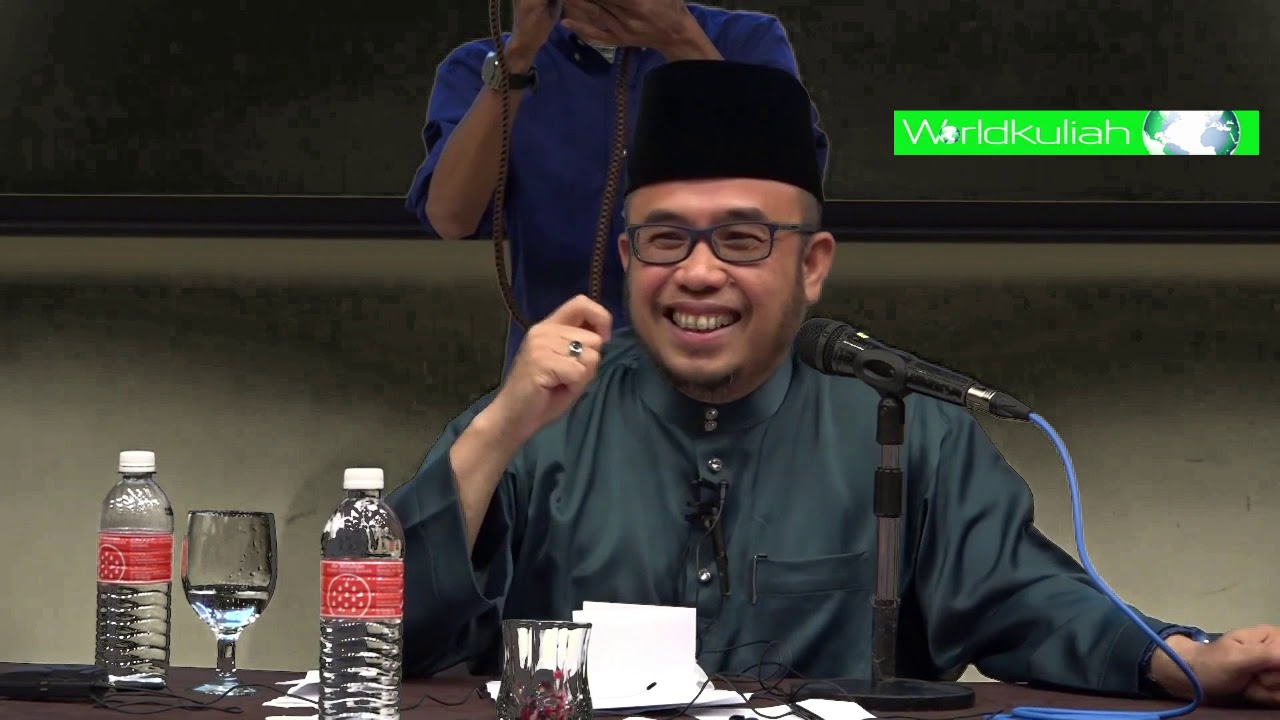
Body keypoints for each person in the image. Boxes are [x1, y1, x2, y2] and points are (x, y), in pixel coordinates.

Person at [387, 60, 1280, 706]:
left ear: (812, 265)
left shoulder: (905, 425)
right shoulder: (538, 424)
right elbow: (393, 644)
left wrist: (1180, 658)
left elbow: (1022, 599)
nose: (697, 274)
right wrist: (494, 433)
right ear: (628, 258)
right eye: (665, 240)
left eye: (742, 240)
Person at [406, 0, 828, 373]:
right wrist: (517, 58)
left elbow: (795, 186)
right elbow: (451, 218)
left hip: (719, 378)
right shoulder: (480, 64)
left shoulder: (746, 42)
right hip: (561, 388)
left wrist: (679, 39)